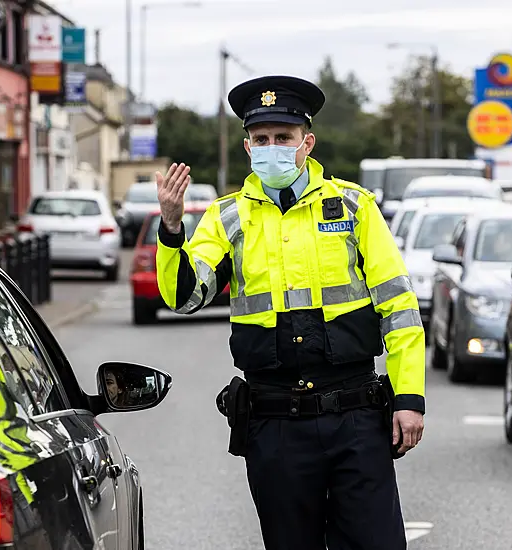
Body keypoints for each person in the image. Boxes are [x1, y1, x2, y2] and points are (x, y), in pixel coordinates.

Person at [155, 75, 425, 550]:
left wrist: (409, 399)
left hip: (355, 417)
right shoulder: (227, 217)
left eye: (284, 138)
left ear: (307, 143)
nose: (272, 147)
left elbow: (398, 308)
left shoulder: (354, 206)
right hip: (275, 422)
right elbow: (184, 296)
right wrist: (173, 228)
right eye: (262, 139)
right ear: (247, 147)